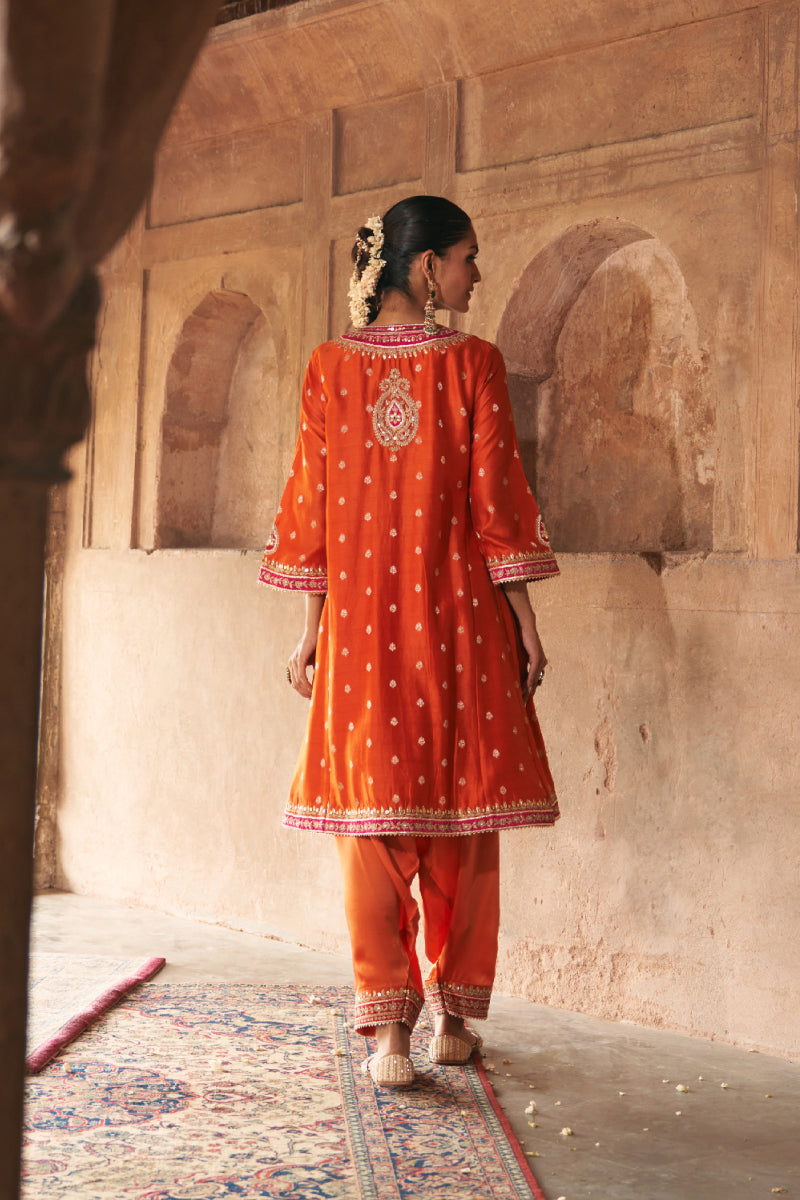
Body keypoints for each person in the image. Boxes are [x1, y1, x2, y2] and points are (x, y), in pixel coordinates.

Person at [259, 195, 559, 1088]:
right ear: (425, 268)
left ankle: (388, 1030)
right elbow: (497, 507)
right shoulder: (473, 364)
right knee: (461, 817)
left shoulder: (327, 368)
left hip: (360, 629)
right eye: (469, 256)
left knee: (373, 818)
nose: (476, 273)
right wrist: (525, 625)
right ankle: (453, 1022)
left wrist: (312, 634)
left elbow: (308, 516)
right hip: (460, 620)